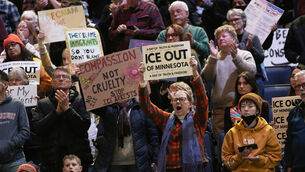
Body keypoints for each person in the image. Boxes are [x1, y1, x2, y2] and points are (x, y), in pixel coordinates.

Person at [138, 56, 209, 171]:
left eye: (181, 99)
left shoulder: (198, 119)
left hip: (193, 168)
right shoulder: (167, 119)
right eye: (175, 100)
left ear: (190, 103)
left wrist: (195, 73)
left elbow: (202, 100)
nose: (177, 102)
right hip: (170, 168)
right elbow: (146, 107)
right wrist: (142, 80)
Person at [31, 67, 93, 172]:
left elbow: (83, 127)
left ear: (71, 81)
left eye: (64, 77)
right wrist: (56, 113)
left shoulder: (80, 101)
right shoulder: (43, 103)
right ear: (52, 82)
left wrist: (68, 110)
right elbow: (37, 128)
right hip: (51, 161)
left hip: (77, 160)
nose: (61, 79)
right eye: (57, 77)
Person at [201, 24, 256, 138]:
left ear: (234, 39)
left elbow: (251, 73)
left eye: (224, 36)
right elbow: (207, 77)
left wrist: (236, 58)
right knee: (222, 145)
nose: (220, 39)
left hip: (241, 108)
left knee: (243, 142)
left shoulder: (244, 54)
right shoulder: (214, 57)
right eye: (218, 37)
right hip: (219, 111)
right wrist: (212, 58)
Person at [92, 97, 159, 172]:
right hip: (114, 163)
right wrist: (85, 85)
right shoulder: (107, 108)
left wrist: (156, 159)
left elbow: (153, 136)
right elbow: (90, 104)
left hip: (138, 163)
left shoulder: (142, 107)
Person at [222, 93, 282, 171]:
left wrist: (259, 160)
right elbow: (226, 161)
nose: (246, 109)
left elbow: (276, 157)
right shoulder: (232, 133)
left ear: (257, 110)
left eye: (250, 106)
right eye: (243, 106)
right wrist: (240, 157)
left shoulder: (268, 130)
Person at [227, 8, 266, 97]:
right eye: (231, 21)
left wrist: (251, 48)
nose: (233, 23)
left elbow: (260, 59)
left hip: (254, 79)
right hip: (236, 81)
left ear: (244, 21)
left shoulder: (252, 37)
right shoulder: (227, 40)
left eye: (236, 19)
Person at [157, 1, 209, 66]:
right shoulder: (163, 34)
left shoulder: (198, 31)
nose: (175, 14)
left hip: (194, 71)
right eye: (172, 13)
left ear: (187, 13)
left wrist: (194, 43)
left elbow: (207, 52)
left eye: (178, 11)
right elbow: (157, 54)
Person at [0, 70, 30, 172]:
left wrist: (9, 144)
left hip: (15, 161)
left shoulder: (17, 104)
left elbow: (25, 131)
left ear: (5, 84)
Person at [285, 70, 305, 172]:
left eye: (304, 85)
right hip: (298, 167)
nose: (301, 89)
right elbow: (289, 142)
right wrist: (289, 165)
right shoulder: (293, 112)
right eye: (298, 86)